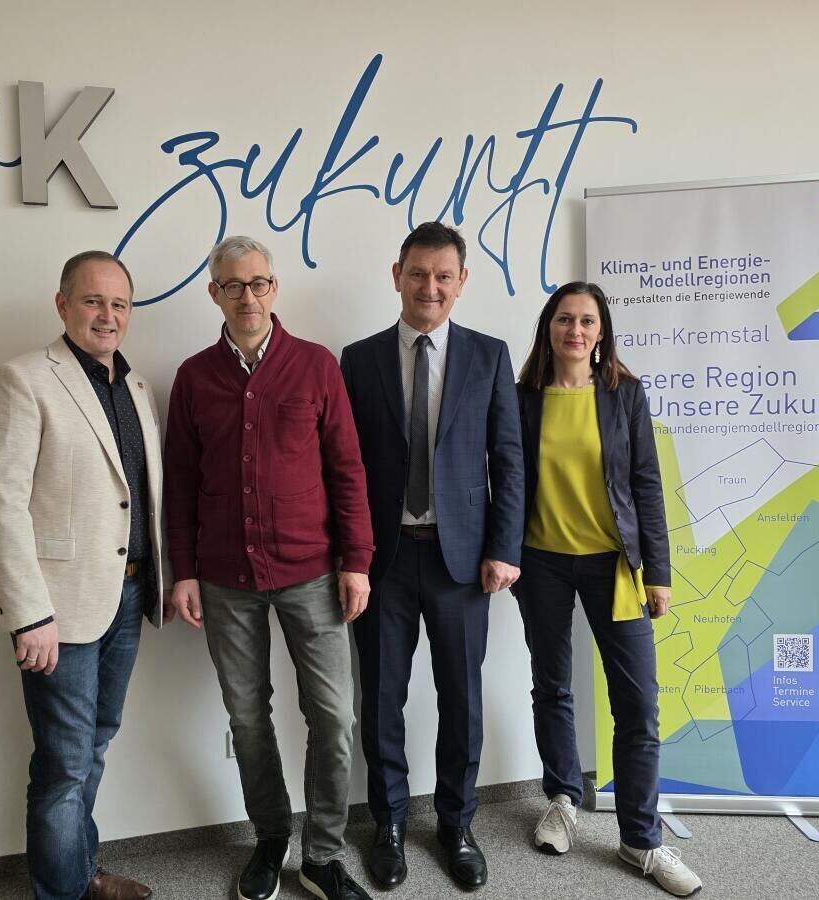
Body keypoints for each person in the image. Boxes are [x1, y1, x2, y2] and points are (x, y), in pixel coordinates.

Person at [163, 236, 376, 900]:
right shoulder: (194, 377)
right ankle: (270, 836)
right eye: (233, 285)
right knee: (248, 717)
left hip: (313, 574)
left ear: (275, 289)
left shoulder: (315, 366)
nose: (247, 297)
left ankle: (323, 854)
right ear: (215, 294)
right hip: (225, 581)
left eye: (258, 284)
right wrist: (184, 571)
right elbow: (180, 483)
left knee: (333, 717)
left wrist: (357, 561)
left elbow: (347, 470)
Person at [0, 251, 168, 900]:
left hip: (128, 592)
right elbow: (0, 502)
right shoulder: (23, 379)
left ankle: (80, 872)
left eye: (119, 304)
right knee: (64, 761)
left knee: (98, 742)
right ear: (63, 305)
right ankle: (61, 891)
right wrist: (28, 613)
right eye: (92, 301)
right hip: (56, 606)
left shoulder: (136, 389)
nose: (107, 315)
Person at [340, 221, 525, 890]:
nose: (430, 287)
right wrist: (350, 556)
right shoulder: (358, 359)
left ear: (462, 282)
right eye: (418, 274)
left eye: (444, 276)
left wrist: (504, 547)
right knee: (382, 699)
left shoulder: (489, 356)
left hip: (463, 564)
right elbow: (344, 467)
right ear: (397, 276)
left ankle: (457, 824)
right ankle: (388, 824)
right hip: (383, 562)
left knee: (462, 700)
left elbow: (508, 458)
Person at [514, 281, 702, 896]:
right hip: (541, 563)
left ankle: (640, 839)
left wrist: (660, 573)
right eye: (565, 319)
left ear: (601, 332)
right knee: (552, 686)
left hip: (615, 566)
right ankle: (563, 799)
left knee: (638, 706)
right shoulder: (522, 398)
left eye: (587, 321)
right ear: (549, 328)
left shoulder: (625, 395)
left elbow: (646, 483)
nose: (575, 330)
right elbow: (506, 481)